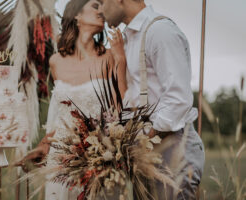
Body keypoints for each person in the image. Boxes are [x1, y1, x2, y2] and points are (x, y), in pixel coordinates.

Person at [17, 0, 128, 199]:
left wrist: (120, 61)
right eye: (95, 5)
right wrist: (44, 146)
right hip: (61, 157)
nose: (102, 10)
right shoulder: (56, 61)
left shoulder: (110, 56)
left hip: (99, 156)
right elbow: (60, 113)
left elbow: (121, 110)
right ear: (76, 14)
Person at [97, 0, 205, 199]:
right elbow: (133, 99)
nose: (101, 9)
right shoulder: (128, 39)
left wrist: (143, 141)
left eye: (103, 2)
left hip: (171, 148)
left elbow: (177, 99)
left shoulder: (160, 32)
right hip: (147, 152)